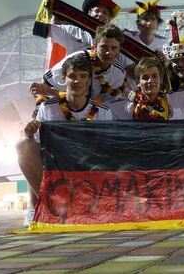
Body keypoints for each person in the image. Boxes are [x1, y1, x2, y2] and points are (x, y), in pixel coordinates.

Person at [17, 54, 113, 226]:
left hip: (90, 171)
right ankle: (40, 207)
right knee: (23, 146)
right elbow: (37, 146)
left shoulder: (102, 111)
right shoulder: (48, 107)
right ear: (63, 79)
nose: (77, 81)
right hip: (57, 169)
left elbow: (109, 148)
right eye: (72, 76)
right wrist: (29, 134)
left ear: (90, 81)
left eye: (83, 76)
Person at [32, 24, 127, 101]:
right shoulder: (76, 59)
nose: (108, 52)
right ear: (95, 45)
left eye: (114, 48)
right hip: (61, 112)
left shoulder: (118, 73)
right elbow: (45, 83)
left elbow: (105, 103)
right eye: (103, 47)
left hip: (93, 118)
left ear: (119, 50)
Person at [32, 0, 121, 54]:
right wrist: (50, 5)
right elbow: (40, 29)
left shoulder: (117, 40)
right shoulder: (73, 31)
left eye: (105, 13)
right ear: (89, 13)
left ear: (109, 19)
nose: (101, 14)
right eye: (97, 11)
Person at [108, 57, 184, 120]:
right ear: (138, 82)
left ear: (161, 79)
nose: (150, 80)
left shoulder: (172, 101)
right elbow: (102, 111)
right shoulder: (128, 106)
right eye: (145, 77)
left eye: (154, 76)